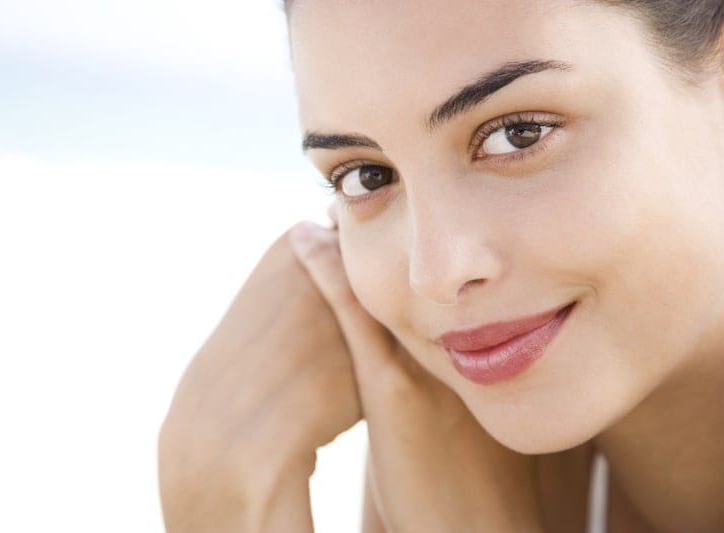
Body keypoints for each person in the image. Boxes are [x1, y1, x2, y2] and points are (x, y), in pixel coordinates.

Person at [158, 1, 724, 531]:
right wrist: (220, 478)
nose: (435, 273)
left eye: (518, 134)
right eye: (365, 176)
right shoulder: (436, 429)